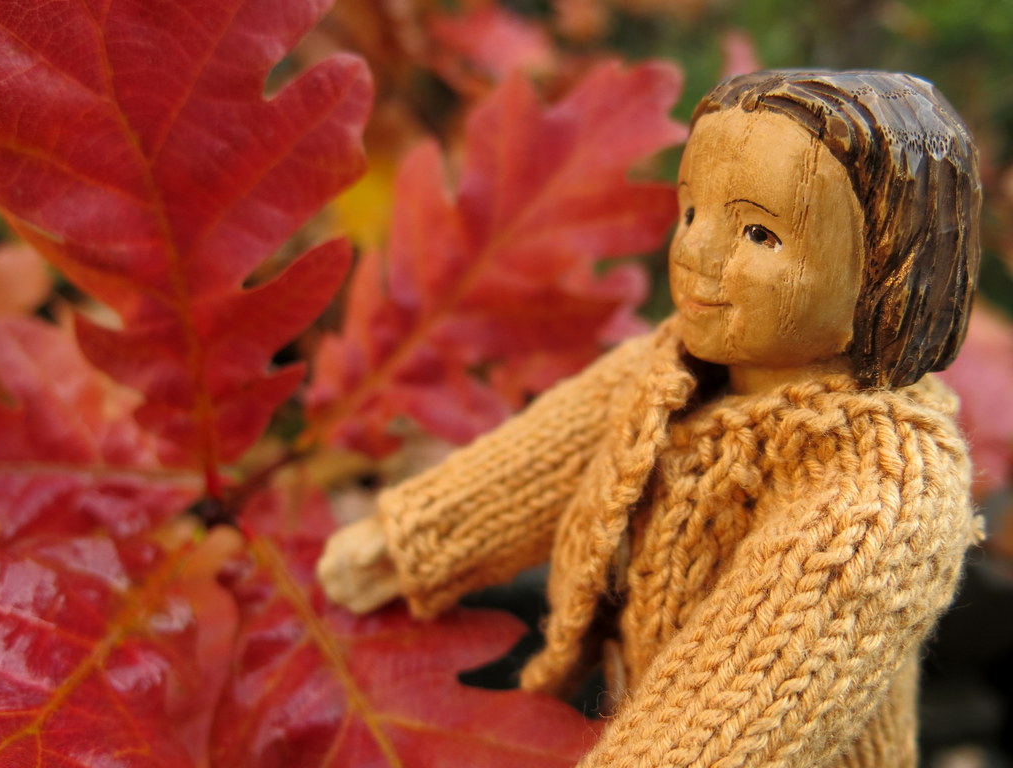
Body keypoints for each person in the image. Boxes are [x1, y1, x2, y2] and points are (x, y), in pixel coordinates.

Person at [318, 70, 982, 767]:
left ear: (890, 272)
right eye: (691, 212)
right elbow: (547, 453)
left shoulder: (882, 495)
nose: (693, 251)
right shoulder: (674, 369)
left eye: (759, 233)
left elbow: (740, 695)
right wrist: (414, 537)